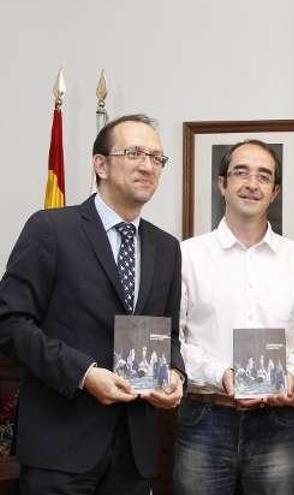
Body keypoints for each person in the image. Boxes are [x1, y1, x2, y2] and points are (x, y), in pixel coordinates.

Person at [0, 114, 184, 494]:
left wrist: (175, 375)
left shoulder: (166, 248)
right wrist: (83, 374)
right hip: (60, 445)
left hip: (135, 452)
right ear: (100, 164)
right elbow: (10, 322)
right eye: (134, 153)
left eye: (157, 158)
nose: (148, 165)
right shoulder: (50, 229)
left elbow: (169, 338)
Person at [173, 139, 294, 494]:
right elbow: (173, 339)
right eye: (241, 172)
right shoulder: (187, 256)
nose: (252, 184)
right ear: (222, 184)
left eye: (264, 176)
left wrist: (290, 374)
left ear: (275, 192)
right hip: (204, 416)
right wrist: (221, 374)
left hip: (275, 421)